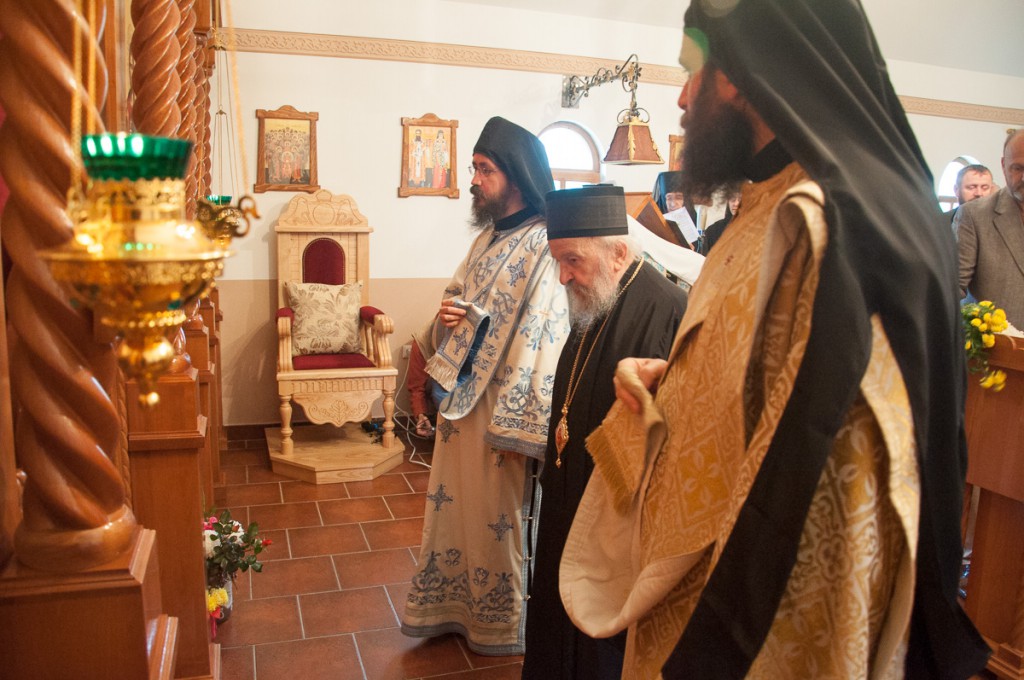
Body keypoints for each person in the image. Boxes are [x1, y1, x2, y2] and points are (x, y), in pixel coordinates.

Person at [558, 1, 990, 678]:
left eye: (692, 70)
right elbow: (767, 377)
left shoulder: (821, 226)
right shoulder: (770, 201)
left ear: (738, 73)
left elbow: (820, 500)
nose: (682, 98)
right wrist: (680, 378)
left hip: (744, 620)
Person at [401, 116, 571, 655]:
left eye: (484, 169)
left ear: (515, 175)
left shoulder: (543, 243)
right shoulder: (485, 239)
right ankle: (454, 606)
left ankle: (499, 622)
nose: (473, 180)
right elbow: (457, 298)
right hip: (461, 402)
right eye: (473, 167)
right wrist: (450, 316)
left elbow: (544, 330)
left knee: (499, 518)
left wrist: (520, 420)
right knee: (457, 510)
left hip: (501, 410)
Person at [522, 184, 689, 680]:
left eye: (572, 260)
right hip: (567, 490)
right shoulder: (596, 297)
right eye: (558, 260)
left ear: (617, 253)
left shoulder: (667, 309)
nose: (562, 275)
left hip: (614, 512)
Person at [957, 129, 1024, 327]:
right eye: (1018, 168)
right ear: (1003, 166)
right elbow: (951, 287)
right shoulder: (974, 216)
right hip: (995, 344)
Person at [652, 171, 700, 248]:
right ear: (663, 200)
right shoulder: (653, 223)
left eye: (679, 198)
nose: (673, 204)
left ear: (686, 199)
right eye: (669, 198)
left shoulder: (698, 223)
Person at [700, 190, 740, 255]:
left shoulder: (753, 231)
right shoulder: (712, 231)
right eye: (733, 199)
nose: (736, 204)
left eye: (740, 200)